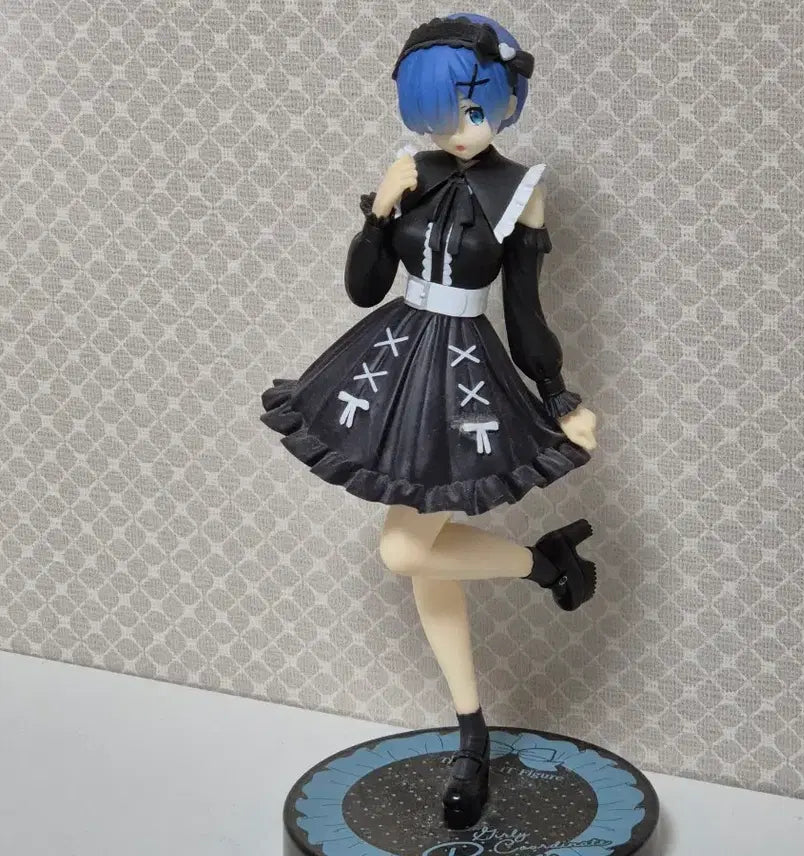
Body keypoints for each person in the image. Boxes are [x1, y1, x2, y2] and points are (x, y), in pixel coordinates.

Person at [260, 13, 598, 829]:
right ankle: (474, 725)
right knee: (422, 560)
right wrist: (378, 214)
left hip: (463, 373)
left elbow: (524, 311)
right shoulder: (410, 170)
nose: (456, 129)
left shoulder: (521, 191)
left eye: (472, 110)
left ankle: (544, 569)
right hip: (392, 354)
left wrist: (558, 396)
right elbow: (362, 288)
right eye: (439, 114)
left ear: (507, 99)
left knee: (406, 548)